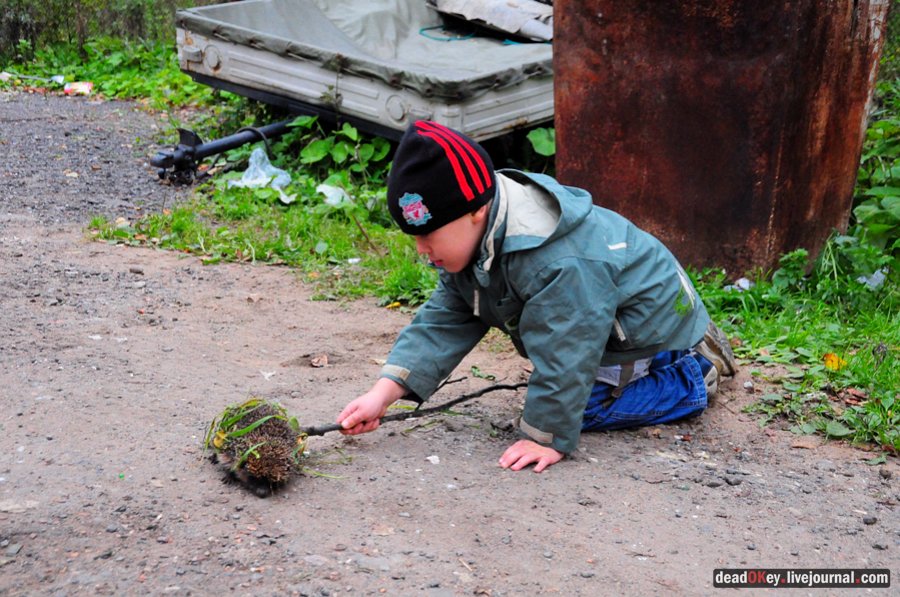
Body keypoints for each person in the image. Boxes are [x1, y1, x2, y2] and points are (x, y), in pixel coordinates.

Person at [336, 120, 736, 473]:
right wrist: (383, 393)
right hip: (603, 320)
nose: (421, 249)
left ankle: (692, 375)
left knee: (584, 410)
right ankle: (677, 355)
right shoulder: (479, 236)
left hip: (642, 325)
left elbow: (568, 349)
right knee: (561, 392)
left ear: (475, 211)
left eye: (428, 234)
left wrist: (544, 437)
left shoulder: (555, 260)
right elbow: (446, 319)